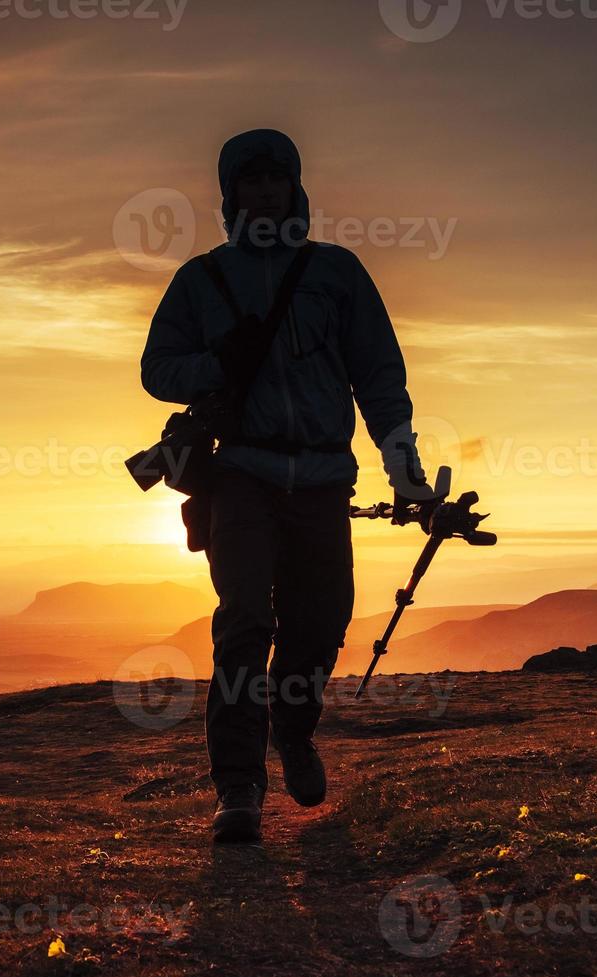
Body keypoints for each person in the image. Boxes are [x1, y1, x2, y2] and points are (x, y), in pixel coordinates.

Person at [140, 128, 440, 844]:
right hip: (241, 475)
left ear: (294, 188)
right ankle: (238, 788)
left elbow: (378, 376)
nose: (265, 191)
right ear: (231, 195)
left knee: (322, 620)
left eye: (277, 180)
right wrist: (217, 364)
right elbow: (158, 371)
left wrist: (404, 467)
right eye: (251, 182)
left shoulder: (337, 273)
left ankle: (294, 733)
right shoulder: (201, 279)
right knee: (243, 623)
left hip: (324, 480)